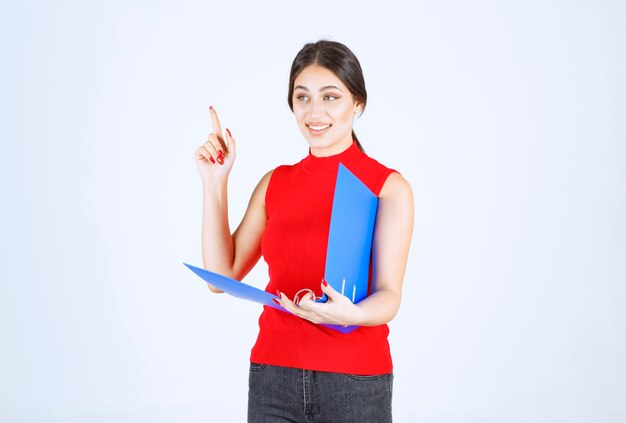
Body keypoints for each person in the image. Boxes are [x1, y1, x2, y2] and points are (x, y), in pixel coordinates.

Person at [194, 40, 414, 423]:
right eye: (303, 97)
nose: (315, 112)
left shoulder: (386, 187)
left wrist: (353, 314)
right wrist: (215, 183)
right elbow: (221, 277)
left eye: (331, 97)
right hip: (273, 376)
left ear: (357, 104)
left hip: (355, 381)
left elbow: (390, 296)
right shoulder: (274, 183)